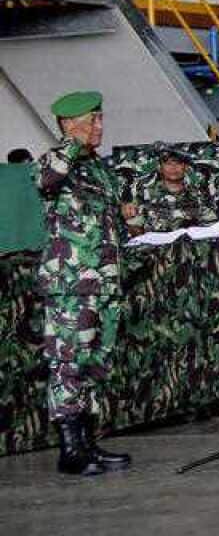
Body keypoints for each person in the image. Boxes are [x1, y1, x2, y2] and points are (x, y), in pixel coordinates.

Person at [33, 91, 133, 476]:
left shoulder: (100, 169)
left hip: (104, 282)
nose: (99, 127)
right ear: (67, 125)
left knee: (94, 363)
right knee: (68, 362)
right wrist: (71, 142)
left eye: (100, 119)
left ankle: (88, 442)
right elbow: (46, 179)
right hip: (70, 285)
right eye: (91, 121)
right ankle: (70, 448)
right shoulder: (53, 162)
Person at [131, 146, 218, 232]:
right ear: (160, 168)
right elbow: (134, 225)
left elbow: (211, 224)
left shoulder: (198, 194)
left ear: (186, 167)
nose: (173, 168)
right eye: (168, 163)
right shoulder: (145, 193)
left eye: (178, 163)